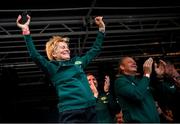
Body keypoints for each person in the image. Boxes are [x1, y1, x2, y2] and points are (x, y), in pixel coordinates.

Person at [16, 14, 105, 123]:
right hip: (71, 111)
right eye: (63, 47)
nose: (67, 49)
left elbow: (95, 50)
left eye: (67, 47)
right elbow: (35, 55)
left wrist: (101, 29)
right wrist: (25, 30)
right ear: (54, 54)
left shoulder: (78, 62)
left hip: (90, 109)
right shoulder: (52, 67)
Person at [114, 56, 160, 122]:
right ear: (122, 67)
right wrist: (147, 74)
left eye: (135, 62)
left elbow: (159, 95)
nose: (134, 63)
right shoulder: (120, 81)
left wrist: (160, 77)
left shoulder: (141, 80)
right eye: (130, 62)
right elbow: (137, 95)